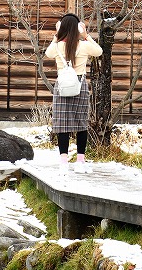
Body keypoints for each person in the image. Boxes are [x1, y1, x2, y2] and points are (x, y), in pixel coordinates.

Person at [44, 13, 103, 172]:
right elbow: (99, 51)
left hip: (62, 86)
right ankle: (80, 161)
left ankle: (64, 161)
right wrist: (86, 35)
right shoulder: (83, 45)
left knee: (62, 123)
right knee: (81, 122)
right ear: (77, 28)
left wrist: (56, 35)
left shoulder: (57, 46)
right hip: (80, 85)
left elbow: (48, 54)